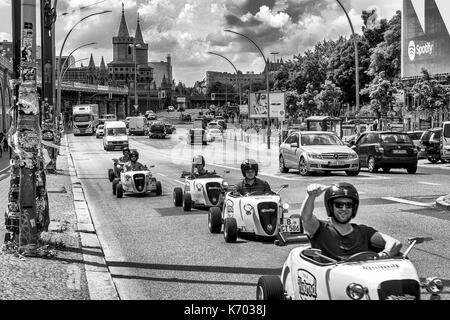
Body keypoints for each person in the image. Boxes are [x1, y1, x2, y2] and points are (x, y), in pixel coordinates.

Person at [300, 182, 403, 261]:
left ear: (354, 208)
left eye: (348, 205)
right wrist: (311, 196)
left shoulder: (364, 232)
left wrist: (384, 255)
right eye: (339, 205)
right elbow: (306, 217)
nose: (344, 209)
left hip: (363, 283)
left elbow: (395, 243)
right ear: (330, 207)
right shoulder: (320, 228)